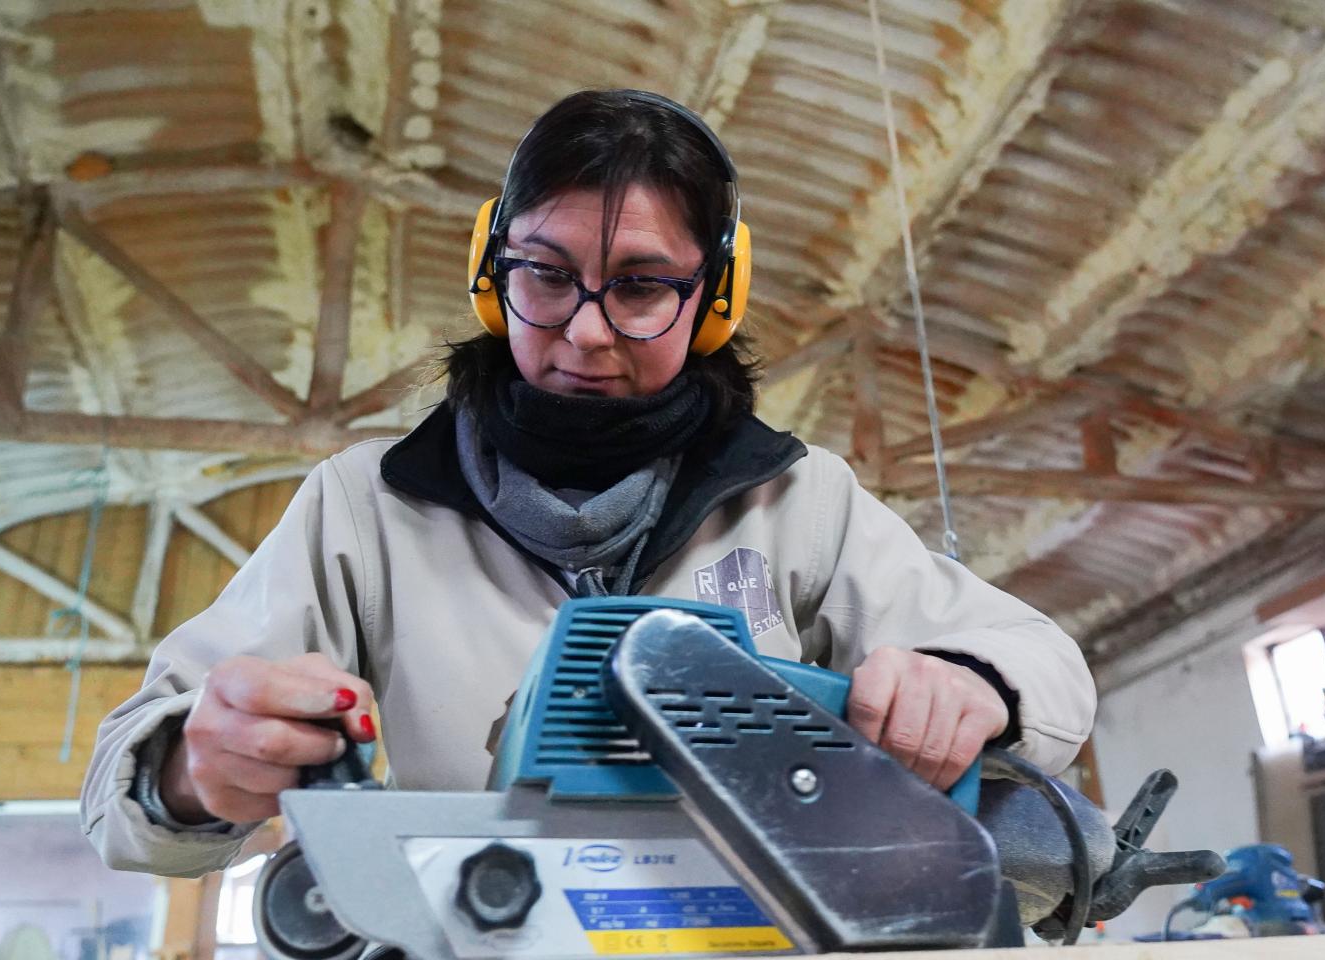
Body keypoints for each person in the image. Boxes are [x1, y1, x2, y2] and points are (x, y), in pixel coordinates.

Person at [82, 89, 1094, 877]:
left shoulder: (798, 504)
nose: (586, 330)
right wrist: (192, 769)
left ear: (713, 299)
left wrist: (968, 686)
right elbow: (120, 797)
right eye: (547, 274)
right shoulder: (366, 507)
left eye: (643, 286)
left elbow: (1045, 666)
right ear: (492, 270)